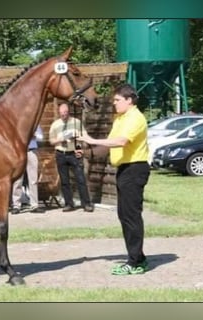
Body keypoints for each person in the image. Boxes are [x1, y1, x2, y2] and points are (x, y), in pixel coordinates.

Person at [77, 84, 150, 275]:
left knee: (131, 216)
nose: (114, 104)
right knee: (124, 215)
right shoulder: (120, 118)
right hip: (124, 170)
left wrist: (92, 140)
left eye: (117, 100)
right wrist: (87, 151)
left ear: (129, 100)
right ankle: (138, 258)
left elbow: (121, 141)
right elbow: (109, 145)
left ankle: (135, 262)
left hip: (135, 169)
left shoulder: (136, 118)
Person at [49, 102, 94, 212]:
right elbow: (51, 140)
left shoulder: (76, 122)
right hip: (61, 153)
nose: (63, 115)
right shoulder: (55, 124)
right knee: (64, 181)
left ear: (68, 112)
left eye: (65, 112)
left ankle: (86, 203)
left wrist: (81, 145)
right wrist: (61, 139)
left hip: (74, 152)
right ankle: (69, 204)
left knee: (80, 179)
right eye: (61, 113)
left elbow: (84, 135)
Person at [11, 125, 45, 214]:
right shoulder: (18, 122)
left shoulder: (35, 123)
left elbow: (41, 138)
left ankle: (34, 204)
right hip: (19, 152)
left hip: (31, 151)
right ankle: (16, 205)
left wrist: (34, 135)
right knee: (18, 179)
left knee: (33, 179)